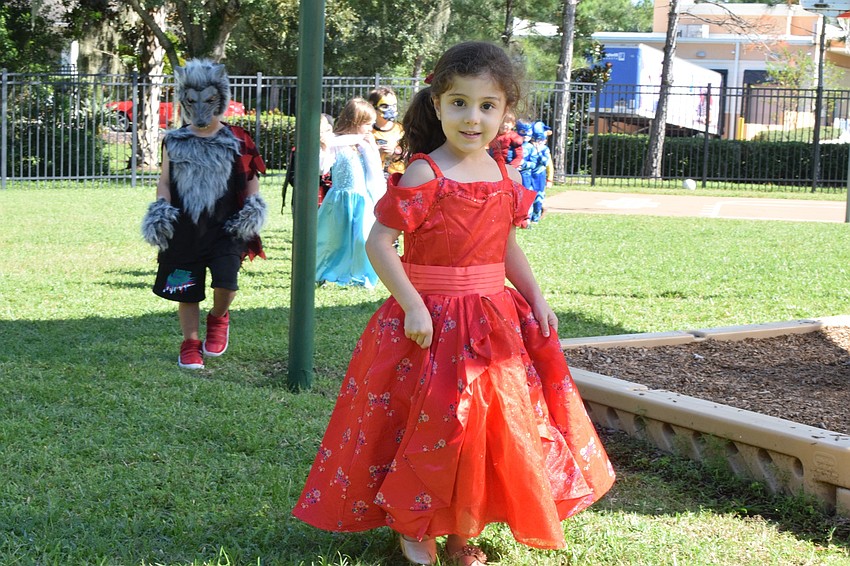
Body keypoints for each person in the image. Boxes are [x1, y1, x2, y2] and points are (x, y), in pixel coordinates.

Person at [293, 41, 615, 566]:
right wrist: (414, 306)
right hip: (429, 326)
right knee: (433, 425)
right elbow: (380, 243)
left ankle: (464, 525)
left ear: (506, 112)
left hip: (493, 324)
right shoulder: (425, 174)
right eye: (459, 103)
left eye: (487, 106)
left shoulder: (505, 176)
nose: (473, 118)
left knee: (481, 429)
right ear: (438, 104)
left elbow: (506, 246)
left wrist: (535, 298)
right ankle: (416, 528)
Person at [141, 59, 267, 370]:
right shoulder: (174, 140)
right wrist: (161, 209)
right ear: (183, 99)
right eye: (192, 100)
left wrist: (252, 209)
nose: (200, 107)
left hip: (226, 226)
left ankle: (219, 317)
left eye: (208, 100)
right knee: (187, 289)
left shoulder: (237, 137)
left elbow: (250, 177)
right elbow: (165, 180)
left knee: (227, 283)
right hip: (184, 228)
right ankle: (190, 343)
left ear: (220, 98)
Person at [315, 98, 385, 288]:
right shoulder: (336, 143)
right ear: (355, 121)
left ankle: (361, 274)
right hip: (340, 199)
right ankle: (323, 271)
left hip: (363, 199)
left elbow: (375, 171)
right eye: (367, 124)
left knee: (362, 238)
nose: (371, 128)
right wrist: (322, 147)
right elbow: (323, 168)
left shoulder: (365, 144)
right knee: (333, 238)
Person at [368, 86, 406, 177]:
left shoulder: (402, 130)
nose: (391, 109)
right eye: (385, 106)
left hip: (400, 176)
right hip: (376, 176)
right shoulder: (368, 132)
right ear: (373, 106)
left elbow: (412, 153)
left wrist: (396, 152)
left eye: (394, 105)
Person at [529, 120, 552, 224]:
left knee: (538, 197)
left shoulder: (545, 150)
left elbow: (547, 163)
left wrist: (549, 179)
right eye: (534, 140)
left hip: (540, 176)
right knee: (528, 196)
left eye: (539, 140)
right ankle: (527, 217)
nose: (536, 142)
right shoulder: (528, 148)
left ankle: (536, 216)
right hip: (529, 175)